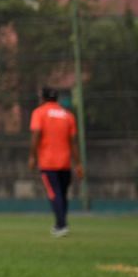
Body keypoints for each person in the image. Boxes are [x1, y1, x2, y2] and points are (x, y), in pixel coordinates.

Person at [30, 87, 80, 238]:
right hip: (65, 162)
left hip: (48, 162)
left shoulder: (39, 112)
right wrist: (78, 163)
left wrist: (32, 156)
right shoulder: (68, 115)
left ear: (43, 98)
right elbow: (73, 143)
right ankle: (61, 223)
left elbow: (36, 134)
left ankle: (61, 225)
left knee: (54, 193)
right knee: (62, 194)